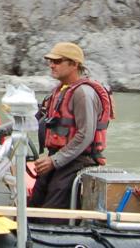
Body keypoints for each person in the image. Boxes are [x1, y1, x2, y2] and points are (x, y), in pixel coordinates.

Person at [26, 42, 114, 212]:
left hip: (79, 161)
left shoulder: (83, 94)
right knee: (35, 199)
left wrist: (54, 161)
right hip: (58, 158)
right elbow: (34, 118)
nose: (52, 65)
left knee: (54, 205)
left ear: (74, 64)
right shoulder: (58, 92)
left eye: (57, 61)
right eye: (50, 61)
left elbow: (85, 134)